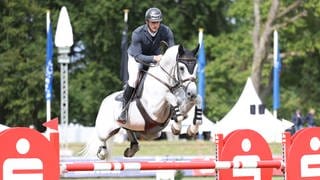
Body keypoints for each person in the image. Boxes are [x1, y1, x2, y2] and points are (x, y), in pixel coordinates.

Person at [118, 7, 175, 123]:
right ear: (147, 22)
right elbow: (138, 56)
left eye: (158, 22)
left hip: (155, 57)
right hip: (136, 58)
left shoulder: (166, 31)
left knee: (168, 77)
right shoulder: (137, 33)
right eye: (153, 22)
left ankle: (174, 109)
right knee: (133, 80)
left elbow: (172, 50)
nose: (156, 25)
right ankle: (124, 109)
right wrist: (155, 58)